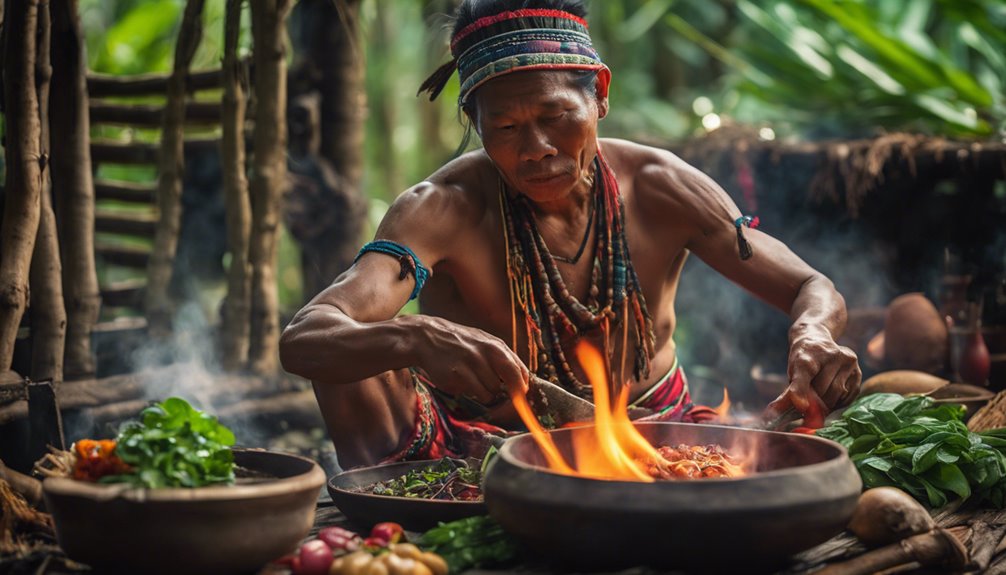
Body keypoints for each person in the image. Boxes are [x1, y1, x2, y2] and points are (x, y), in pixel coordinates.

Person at [280, 0, 861, 470]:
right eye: (504, 128)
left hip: (652, 441)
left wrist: (813, 330)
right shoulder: (443, 207)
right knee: (351, 359)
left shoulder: (662, 186)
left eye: (555, 117)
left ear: (600, 94)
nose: (536, 150)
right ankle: (405, 510)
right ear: (475, 125)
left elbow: (809, 284)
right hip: (479, 449)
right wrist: (415, 337)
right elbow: (306, 337)